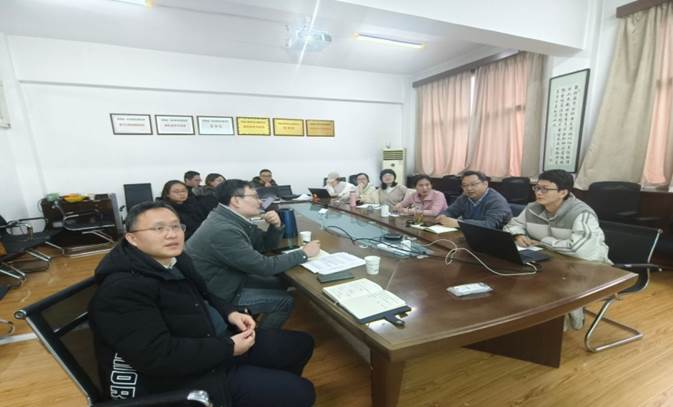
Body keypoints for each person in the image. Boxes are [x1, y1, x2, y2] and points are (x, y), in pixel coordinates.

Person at [88, 201, 315, 407]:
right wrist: (228, 348)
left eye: (176, 226)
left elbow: (206, 293)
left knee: (301, 343)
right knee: (301, 392)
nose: (171, 234)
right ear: (132, 238)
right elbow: (158, 356)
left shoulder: (175, 259)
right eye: (158, 229)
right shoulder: (123, 288)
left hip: (210, 340)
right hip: (182, 375)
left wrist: (230, 313)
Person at [186, 180, 321, 328]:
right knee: (285, 301)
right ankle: (256, 337)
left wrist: (275, 226)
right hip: (218, 294)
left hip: (228, 279)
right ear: (236, 201)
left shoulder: (229, 218)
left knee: (280, 282)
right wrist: (303, 253)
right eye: (255, 197)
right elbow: (264, 267)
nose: (260, 201)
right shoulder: (223, 230)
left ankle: (250, 318)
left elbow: (263, 246)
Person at [503, 169, 610, 330]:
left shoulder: (581, 213)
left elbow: (580, 250)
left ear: (563, 192)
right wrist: (518, 235)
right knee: (515, 274)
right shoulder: (533, 208)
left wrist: (543, 242)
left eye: (545, 189)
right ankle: (529, 320)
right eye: (537, 188)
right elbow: (512, 225)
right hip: (552, 259)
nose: (539, 192)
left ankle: (563, 321)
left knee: (552, 283)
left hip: (589, 266)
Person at [435, 171, 512, 229]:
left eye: (473, 184)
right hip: (471, 233)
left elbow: (490, 225)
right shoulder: (464, 197)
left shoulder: (497, 201)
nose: (469, 188)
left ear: (485, 184)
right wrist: (443, 216)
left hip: (496, 237)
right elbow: (451, 211)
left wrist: (459, 223)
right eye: (465, 185)